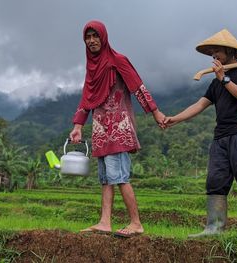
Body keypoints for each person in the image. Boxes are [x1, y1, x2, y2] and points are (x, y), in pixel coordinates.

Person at [69, 20, 165, 237]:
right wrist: (78, 126)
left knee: (120, 176)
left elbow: (138, 87)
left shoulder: (118, 61)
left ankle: (136, 223)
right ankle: (104, 222)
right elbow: (86, 99)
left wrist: (156, 112)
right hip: (101, 131)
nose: (92, 41)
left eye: (96, 36)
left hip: (119, 128)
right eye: (88, 37)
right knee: (105, 179)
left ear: (103, 37)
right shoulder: (91, 70)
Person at [164, 29, 237, 238]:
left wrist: (225, 79)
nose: (213, 55)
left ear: (229, 50)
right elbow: (200, 104)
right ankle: (214, 228)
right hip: (220, 138)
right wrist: (175, 119)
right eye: (210, 52)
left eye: (216, 50)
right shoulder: (215, 81)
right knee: (215, 181)